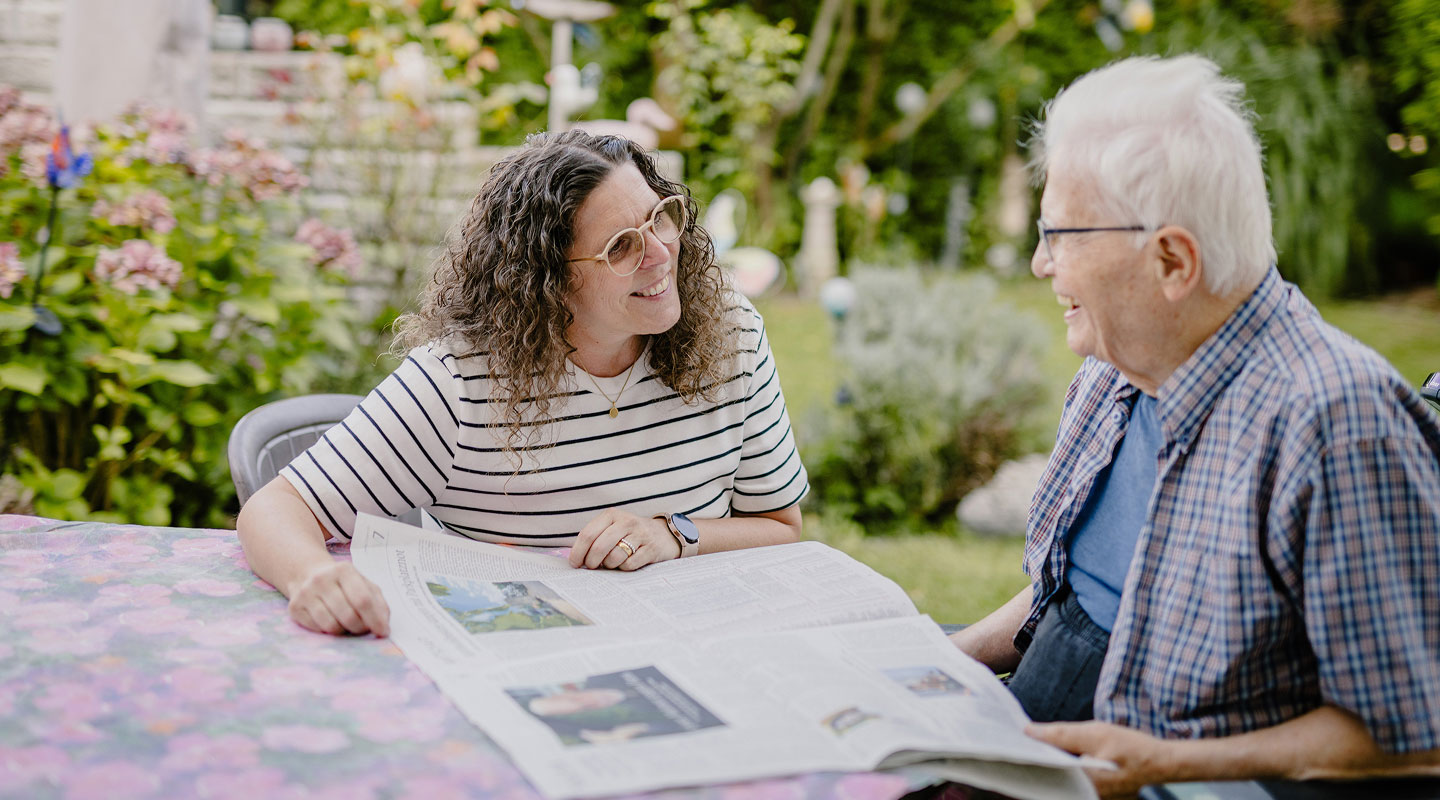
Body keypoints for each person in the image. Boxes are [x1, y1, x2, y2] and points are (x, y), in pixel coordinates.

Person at [949, 55, 1440, 795]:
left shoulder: (1336, 426)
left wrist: (1171, 765)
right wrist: (941, 660)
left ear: (1172, 260)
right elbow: (1080, 594)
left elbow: (1413, 734)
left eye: (1063, 236)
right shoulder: (1118, 367)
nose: (1040, 263)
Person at [236, 130, 808, 638]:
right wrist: (313, 577)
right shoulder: (460, 381)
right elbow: (276, 508)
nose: (661, 252)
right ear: (550, 281)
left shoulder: (730, 332)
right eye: (621, 246)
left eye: (661, 216)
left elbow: (781, 528)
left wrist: (673, 533)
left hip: (694, 645)